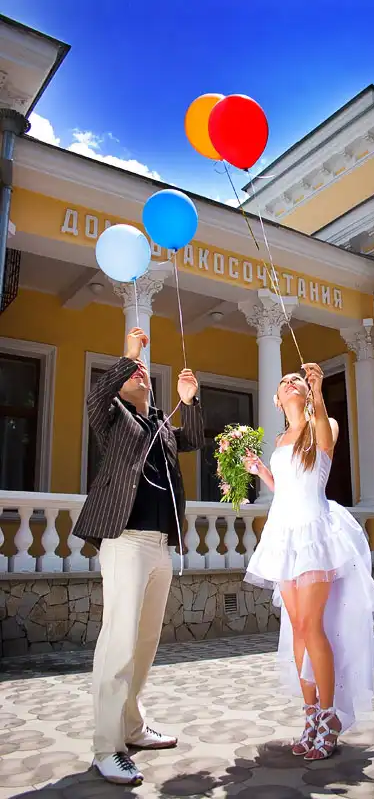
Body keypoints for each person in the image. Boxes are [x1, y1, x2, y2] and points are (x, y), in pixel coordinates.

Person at [74, 327, 204, 785]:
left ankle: (131, 726)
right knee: (119, 641)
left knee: (145, 642)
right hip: (125, 539)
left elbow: (195, 439)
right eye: (134, 374)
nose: (141, 374)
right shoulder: (112, 417)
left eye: (144, 372)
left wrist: (190, 400)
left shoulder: (162, 427)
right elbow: (97, 395)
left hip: (160, 544)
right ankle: (106, 747)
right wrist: (129, 357)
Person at [242, 364, 374, 761]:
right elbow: (287, 489)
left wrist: (319, 393)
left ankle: (330, 715)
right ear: (277, 400)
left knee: (311, 625)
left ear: (305, 393)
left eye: (296, 380)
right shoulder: (279, 439)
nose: (290, 382)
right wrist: (261, 471)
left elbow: (324, 445)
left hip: (315, 532)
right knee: (296, 630)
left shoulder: (323, 425)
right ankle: (309, 715)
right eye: (284, 382)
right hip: (284, 533)